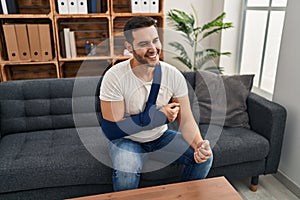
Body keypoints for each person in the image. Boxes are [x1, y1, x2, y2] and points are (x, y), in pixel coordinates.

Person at [100, 16, 213, 192]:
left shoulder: (173, 75)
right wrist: (159, 117)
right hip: (127, 141)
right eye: (144, 43)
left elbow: (186, 120)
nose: (153, 49)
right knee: (126, 170)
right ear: (129, 47)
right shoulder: (115, 77)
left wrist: (199, 146)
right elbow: (113, 128)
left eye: (155, 41)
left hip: (160, 137)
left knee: (205, 158)